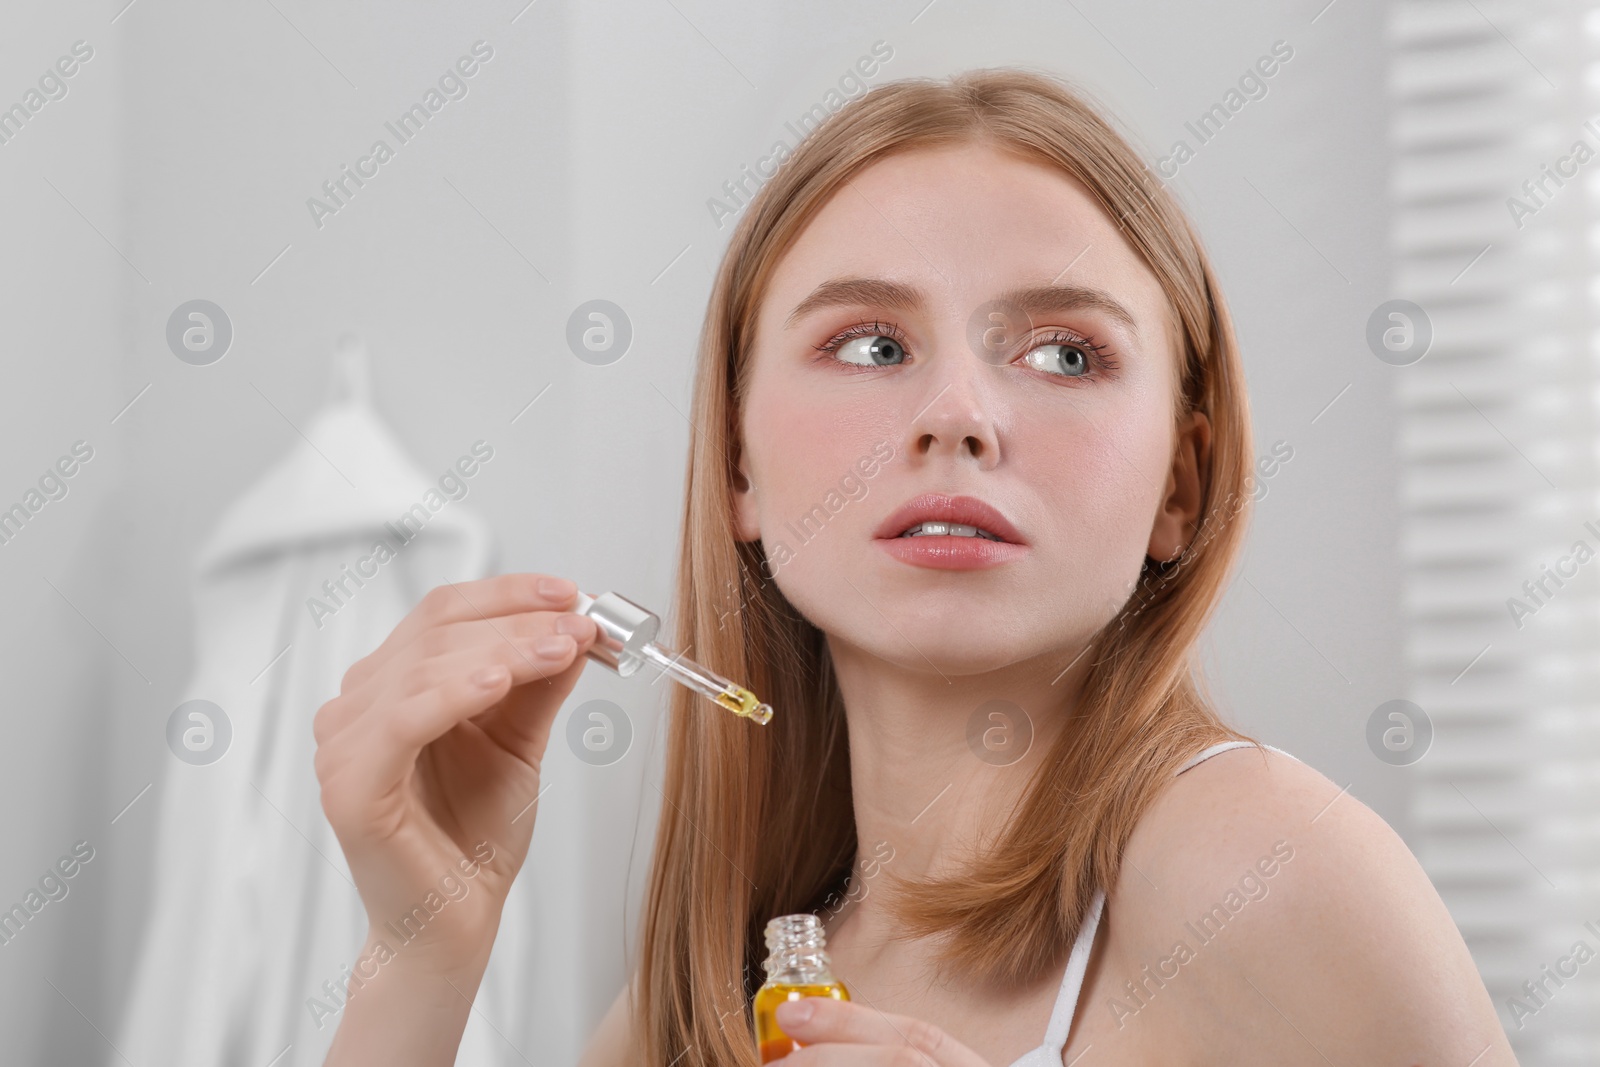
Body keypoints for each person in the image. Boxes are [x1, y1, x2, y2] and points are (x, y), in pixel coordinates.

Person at [314, 69, 1515, 1066]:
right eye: (872, 342)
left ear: (1180, 485)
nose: (957, 415)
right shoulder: (696, 1009)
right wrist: (421, 949)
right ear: (737, 463)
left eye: (1062, 353)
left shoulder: (1267, 872)